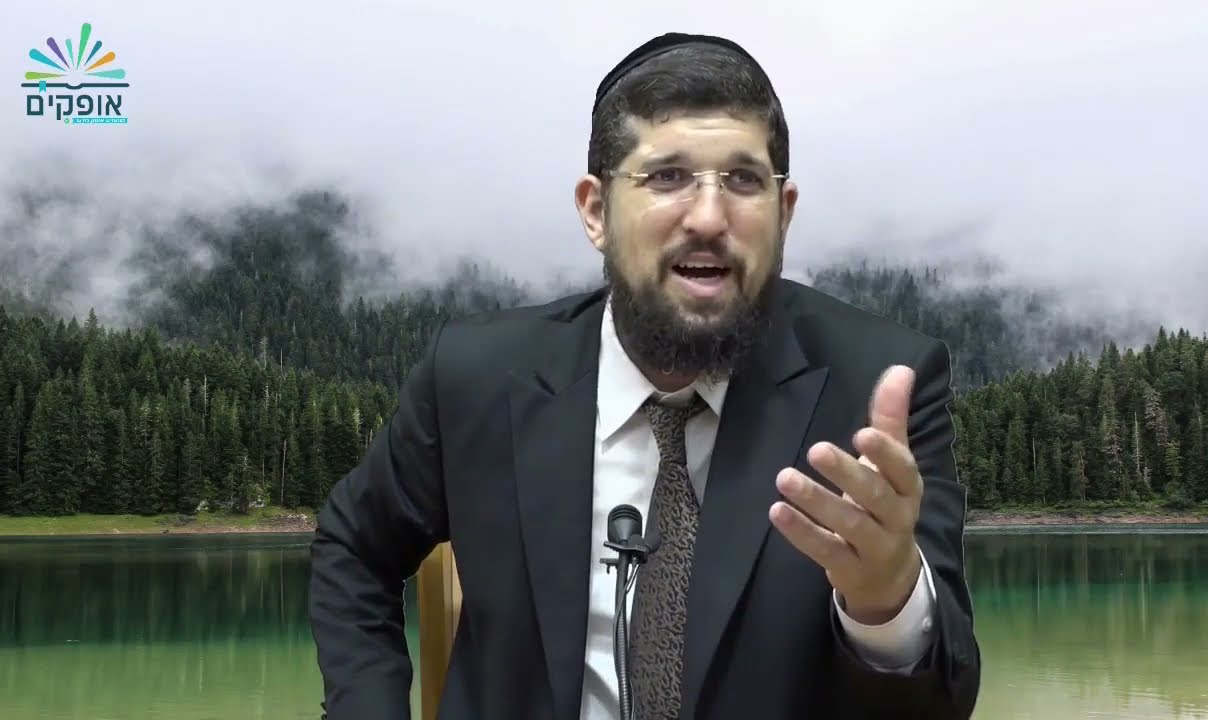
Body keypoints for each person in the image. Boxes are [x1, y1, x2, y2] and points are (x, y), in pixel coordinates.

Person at [308, 31, 981, 720]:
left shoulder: (880, 390)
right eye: (667, 177)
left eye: (744, 180)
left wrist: (885, 603)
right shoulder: (475, 376)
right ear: (596, 210)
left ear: (783, 213)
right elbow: (354, 551)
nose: (709, 217)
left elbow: (940, 705)